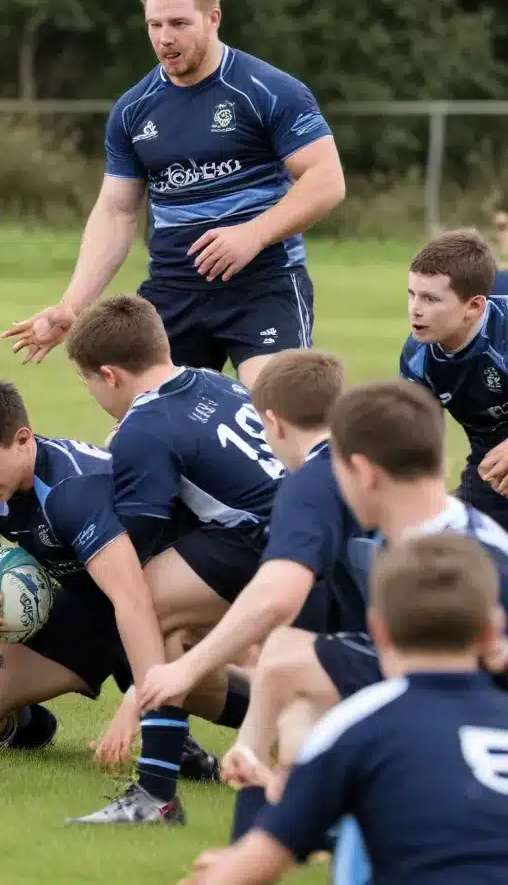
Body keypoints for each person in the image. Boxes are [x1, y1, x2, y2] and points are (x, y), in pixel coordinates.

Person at [2, 0, 344, 386]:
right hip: (173, 293)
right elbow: (117, 212)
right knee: (150, 430)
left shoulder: (268, 90)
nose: (165, 39)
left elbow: (326, 180)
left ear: (213, 18)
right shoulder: (133, 110)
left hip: (263, 288)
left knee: (274, 417)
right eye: (154, 25)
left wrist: (252, 234)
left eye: (179, 23)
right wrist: (72, 306)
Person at [0, 378, 238, 826]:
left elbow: (133, 601)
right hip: (81, 609)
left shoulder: (74, 488)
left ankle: (175, 733)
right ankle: (32, 725)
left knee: (235, 696)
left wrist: (137, 706)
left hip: (157, 610)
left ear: (22, 440)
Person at [223, 380, 508, 803]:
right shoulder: (426, 535)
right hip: (446, 695)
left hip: (471, 712)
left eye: (339, 471)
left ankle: (262, 787)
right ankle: (283, 797)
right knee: (300, 706)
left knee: (286, 661)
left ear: (366, 473)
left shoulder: (453, 559)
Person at [56, 294, 283, 822]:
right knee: (173, 635)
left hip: (259, 539)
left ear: (108, 375)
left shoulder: (145, 427)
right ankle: (174, 768)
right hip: (295, 526)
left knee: (141, 608)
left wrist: (133, 696)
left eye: (87, 382)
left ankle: (156, 792)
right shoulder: (215, 381)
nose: (91, 394)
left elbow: (131, 546)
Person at [183, 531, 508, 885]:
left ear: (378, 630)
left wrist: (224, 869)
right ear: (492, 632)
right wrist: (281, 788)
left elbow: (255, 867)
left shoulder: (362, 723)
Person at [136, 350, 372, 718]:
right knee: (281, 657)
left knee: (285, 678)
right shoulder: (371, 461)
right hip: (448, 641)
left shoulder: (305, 486)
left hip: (392, 663)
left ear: (275, 424)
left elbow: (276, 597)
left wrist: (187, 668)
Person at [400, 229, 508, 528]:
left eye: (430, 299)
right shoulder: (417, 359)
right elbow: (419, 447)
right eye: (412, 294)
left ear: (474, 306)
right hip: (490, 473)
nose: (415, 309)